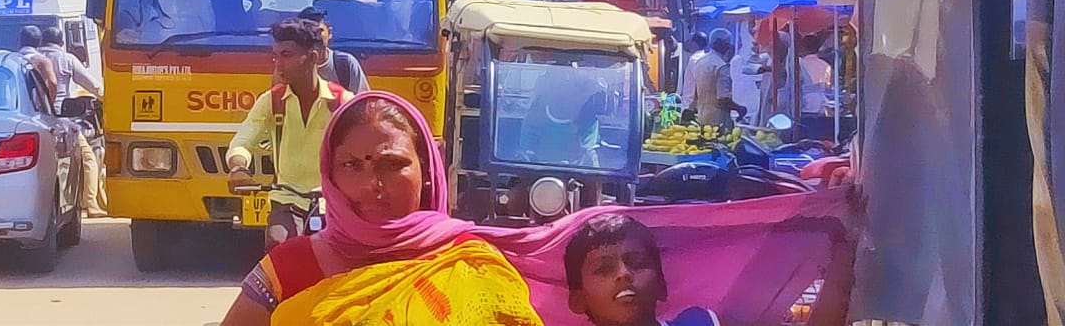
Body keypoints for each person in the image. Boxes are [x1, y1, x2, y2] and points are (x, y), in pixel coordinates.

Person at [221, 91, 543, 326]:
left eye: (393, 164)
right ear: (329, 176)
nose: (372, 185)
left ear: (428, 172)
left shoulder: (474, 264)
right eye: (351, 165)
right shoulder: (289, 267)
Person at [227, 19, 355, 250]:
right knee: (279, 243)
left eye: (286, 55)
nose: (278, 64)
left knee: (344, 255)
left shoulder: (341, 102)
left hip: (333, 202)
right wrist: (238, 167)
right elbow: (243, 141)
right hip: (286, 199)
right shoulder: (272, 101)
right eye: (275, 56)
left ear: (313, 57)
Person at [564, 214, 719, 326]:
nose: (623, 273)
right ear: (578, 300)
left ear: (661, 285)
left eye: (637, 263)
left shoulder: (698, 322)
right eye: (604, 270)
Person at [40, 26, 108, 218]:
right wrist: (109, 98)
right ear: (61, 42)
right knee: (89, 159)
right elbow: (93, 85)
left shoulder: (29, 60)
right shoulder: (66, 58)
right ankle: (91, 204)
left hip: (34, 119)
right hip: (62, 120)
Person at [298, 6, 370, 93]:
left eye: (319, 31)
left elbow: (362, 103)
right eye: (308, 32)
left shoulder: (345, 64)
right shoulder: (292, 64)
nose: (313, 36)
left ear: (330, 32)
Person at [692, 29, 748, 127]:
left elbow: (696, 93)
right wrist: (740, 109)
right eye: (727, 43)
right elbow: (723, 99)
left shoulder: (700, 62)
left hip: (701, 118)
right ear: (720, 43)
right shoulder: (721, 66)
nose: (729, 46)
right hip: (718, 122)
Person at [17, 25, 58, 98]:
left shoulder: (10, 60)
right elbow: (52, 83)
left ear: (20, 41)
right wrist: (49, 104)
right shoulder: (43, 61)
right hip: (35, 106)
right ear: (40, 42)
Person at [679, 32, 709, 111]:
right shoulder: (704, 58)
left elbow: (700, 83)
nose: (687, 42)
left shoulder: (695, 59)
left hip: (690, 107)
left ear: (694, 44)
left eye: (689, 40)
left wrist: (693, 105)